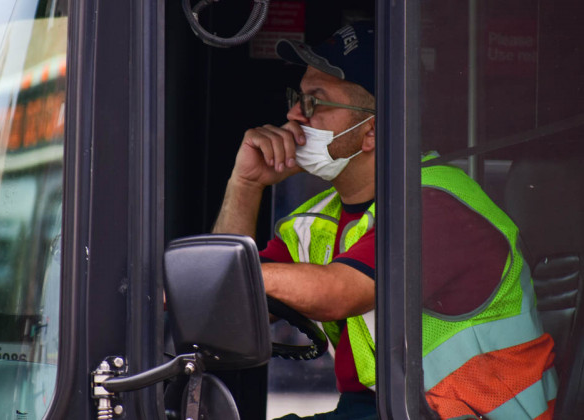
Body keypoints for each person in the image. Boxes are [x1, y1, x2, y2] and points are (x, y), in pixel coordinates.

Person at [211, 21, 557, 420]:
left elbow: (339, 291)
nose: (293, 114)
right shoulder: (318, 220)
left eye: (315, 102)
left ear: (371, 129)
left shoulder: (435, 204)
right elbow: (227, 320)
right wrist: (246, 183)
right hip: (386, 409)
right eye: (297, 97)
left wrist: (224, 274)